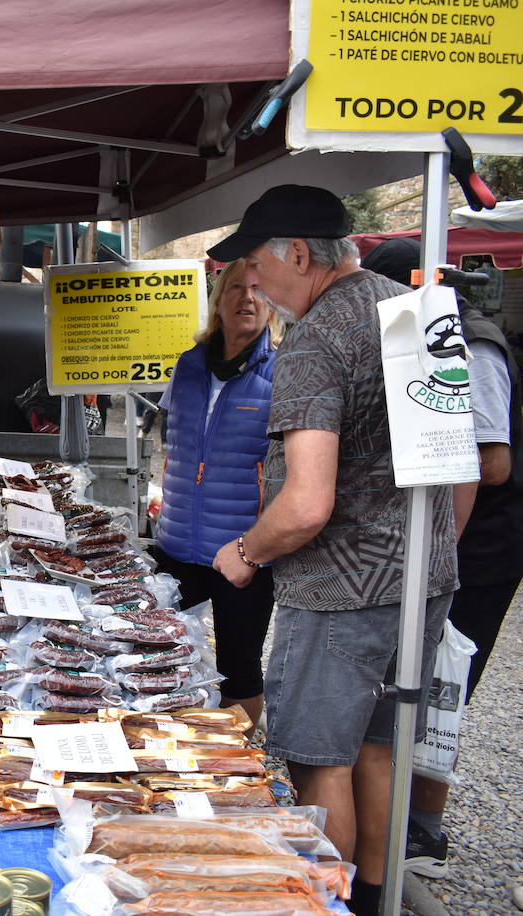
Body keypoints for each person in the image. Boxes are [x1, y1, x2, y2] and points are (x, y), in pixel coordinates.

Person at [208, 185, 457, 916]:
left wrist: (247, 552)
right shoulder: (416, 308)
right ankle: (377, 900)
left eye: (255, 263)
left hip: (340, 594)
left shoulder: (317, 338)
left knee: (322, 764)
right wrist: (432, 553)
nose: (251, 281)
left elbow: (307, 502)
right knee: (380, 749)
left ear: (296, 253)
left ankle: (329, 903)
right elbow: (462, 464)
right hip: (422, 581)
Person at [360, 237, 523, 878]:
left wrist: (435, 555)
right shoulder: (416, 333)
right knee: (410, 675)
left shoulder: (469, 342)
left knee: (445, 673)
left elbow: (491, 460)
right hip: (438, 534)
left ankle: (423, 829)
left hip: (480, 538)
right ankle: (395, 815)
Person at [151, 258, 278, 724]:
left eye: (259, 290)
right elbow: (174, 445)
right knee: (153, 650)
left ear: (271, 306)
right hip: (176, 542)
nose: (247, 298)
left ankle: (239, 765)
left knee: (238, 668)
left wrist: (258, 548)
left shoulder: (280, 374)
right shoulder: (187, 366)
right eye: (236, 288)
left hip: (243, 550)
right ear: (218, 302)